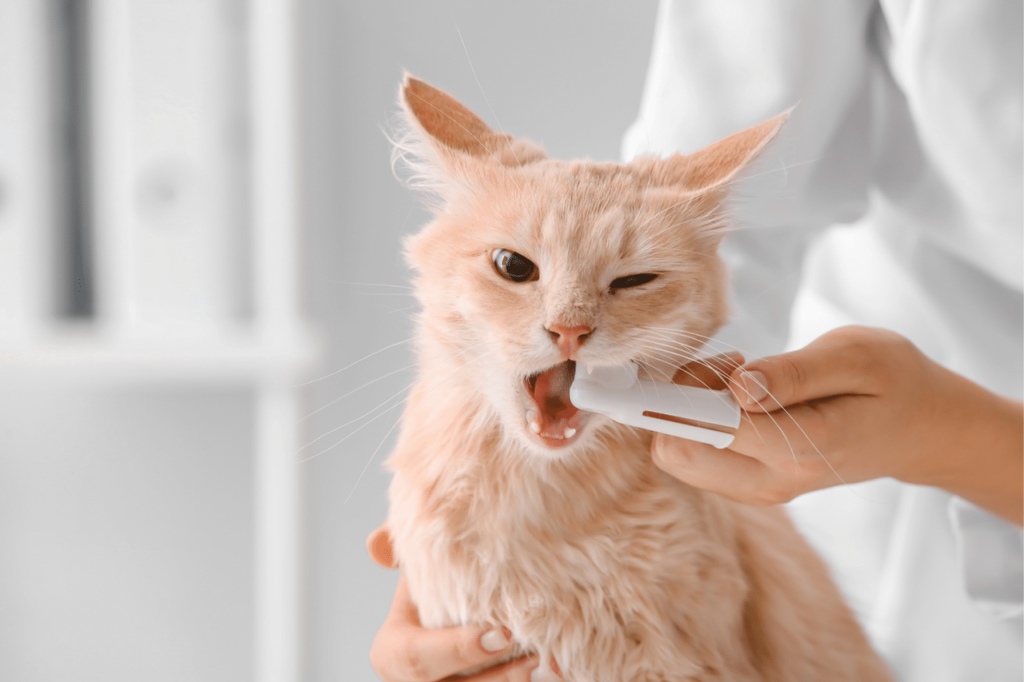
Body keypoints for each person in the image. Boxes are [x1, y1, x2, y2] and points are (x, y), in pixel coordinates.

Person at [368, 1, 1023, 680]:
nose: (569, 324)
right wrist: (467, 535)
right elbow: (728, 232)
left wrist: (944, 432)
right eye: (515, 269)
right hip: (892, 470)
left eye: (628, 280)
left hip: (932, 468)